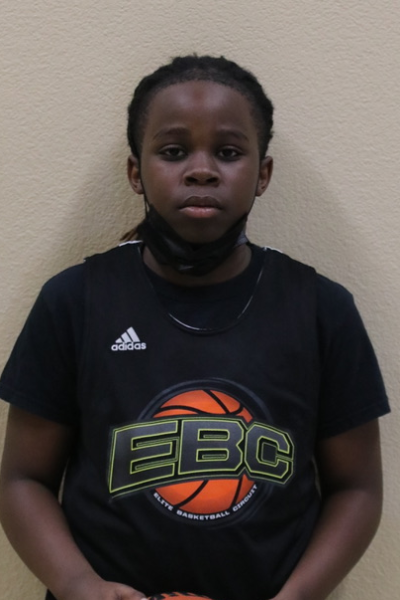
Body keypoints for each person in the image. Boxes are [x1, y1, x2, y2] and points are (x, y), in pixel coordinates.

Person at [0, 55, 390, 600]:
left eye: (228, 153)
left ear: (263, 174)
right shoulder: (75, 301)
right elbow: (22, 479)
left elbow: (357, 489)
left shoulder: (322, 309)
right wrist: (77, 584)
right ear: (135, 172)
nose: (201, 170)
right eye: (173, 151)